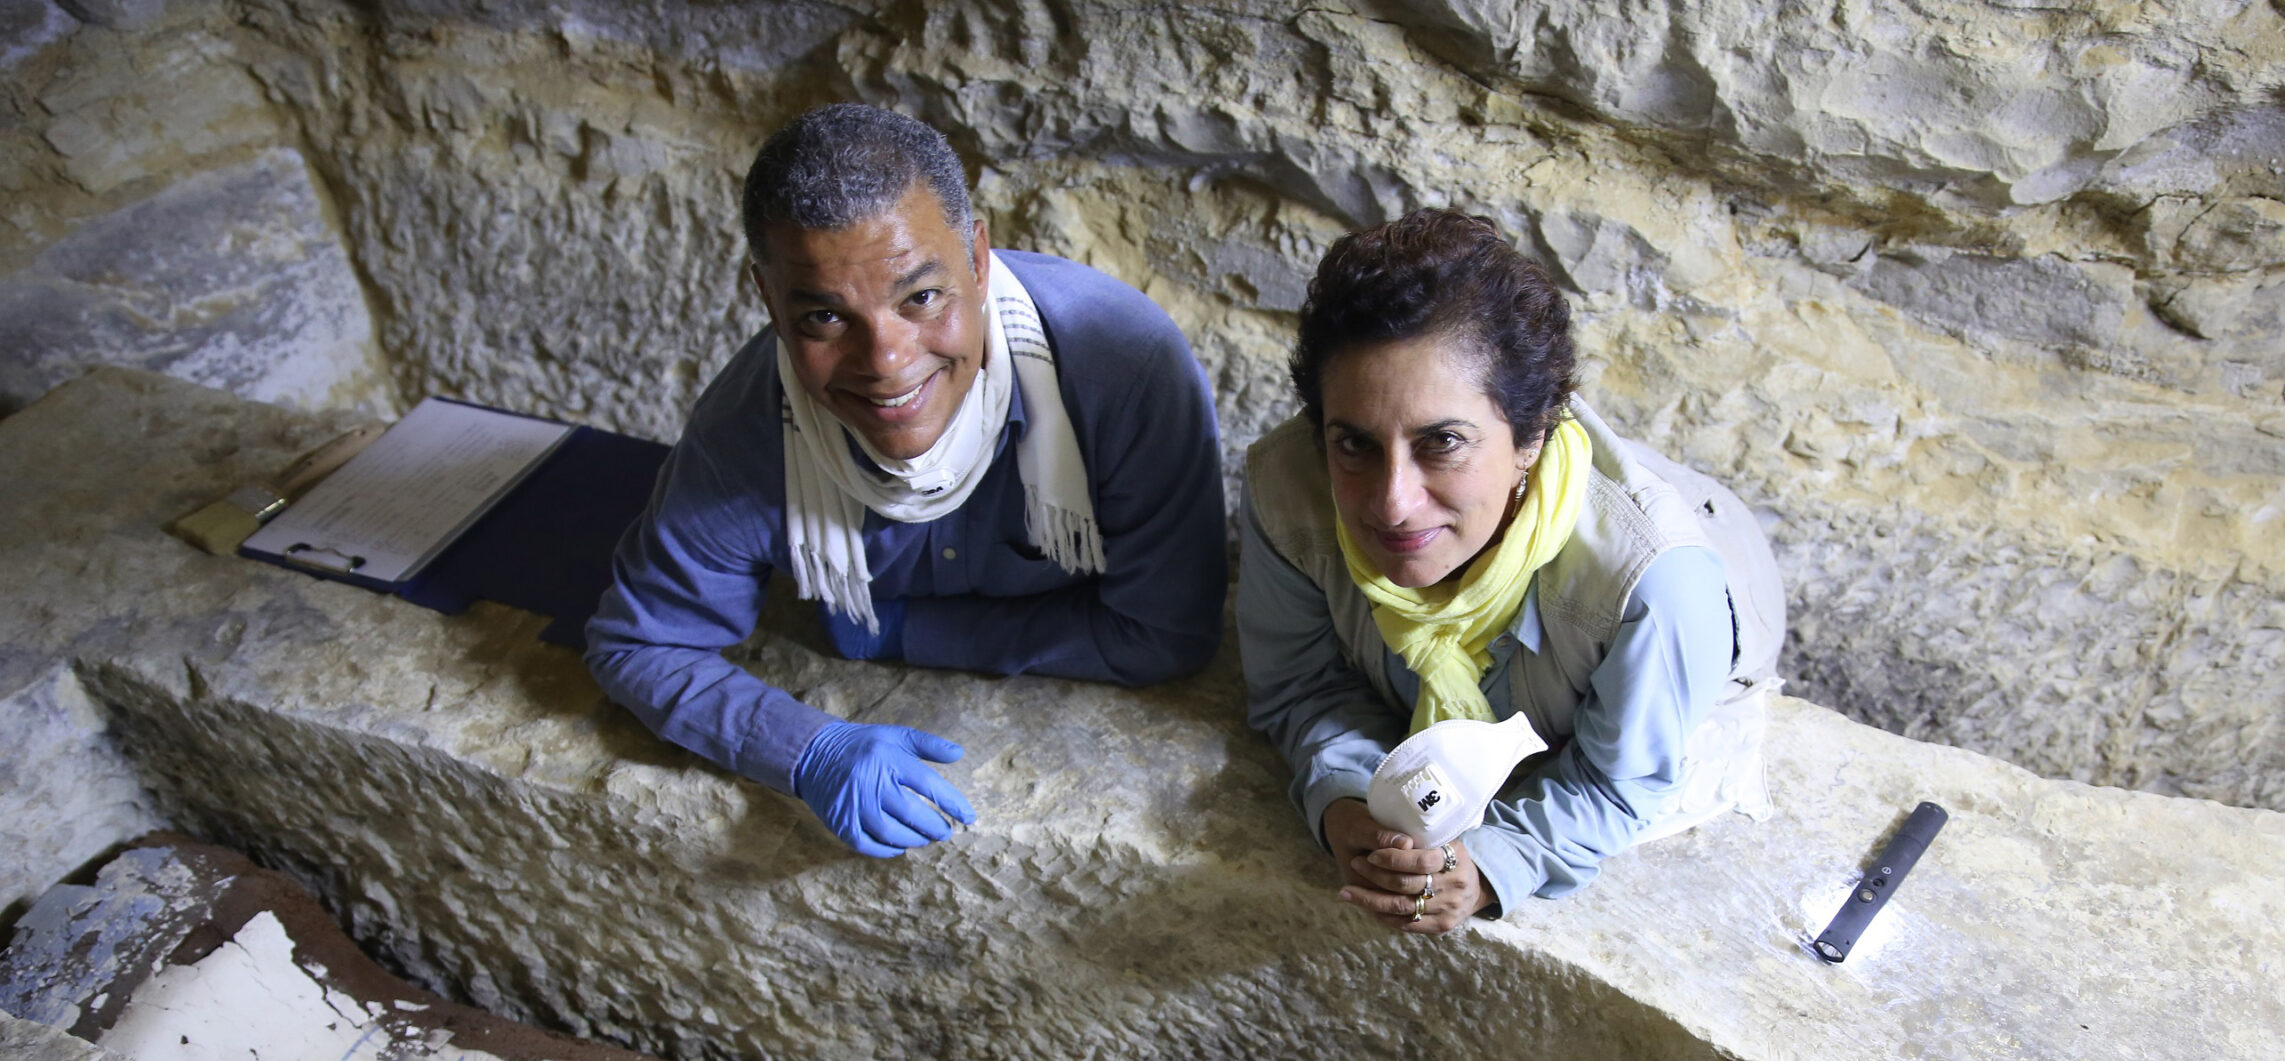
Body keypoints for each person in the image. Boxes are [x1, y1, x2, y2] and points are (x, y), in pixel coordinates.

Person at [587, 105, 1227, 857]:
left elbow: (1165, 634)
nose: (885, 361)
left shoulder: (1125, 372)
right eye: (826, 317)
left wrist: (898, 630)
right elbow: (638, 644)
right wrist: (806, 748)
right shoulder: (749, 426)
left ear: (979, 258)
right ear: (769, 301)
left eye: (921, 298)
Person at [1237, 210, 1784, 933]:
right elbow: (1304, 685)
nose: (1392, 503)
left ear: (1532, 435)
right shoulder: (1288, 489)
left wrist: (1495, 861)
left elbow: (1616, 781)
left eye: (1444, 443)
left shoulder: (1655, 588)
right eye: (1355, 444)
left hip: (1714, 597)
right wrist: (1345, 802)